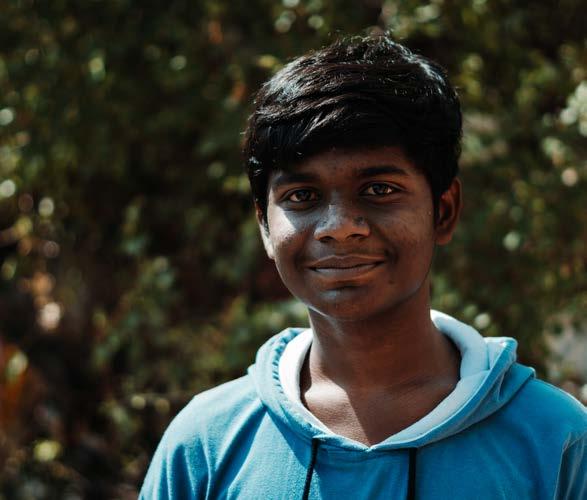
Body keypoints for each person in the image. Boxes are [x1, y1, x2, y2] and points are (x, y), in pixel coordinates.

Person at [140, 35, 586, 499]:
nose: (338, 227)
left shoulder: (554, 441)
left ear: (444, 211)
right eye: (302, 196)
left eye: (378, 190)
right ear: (266, 227)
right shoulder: (207, 444)